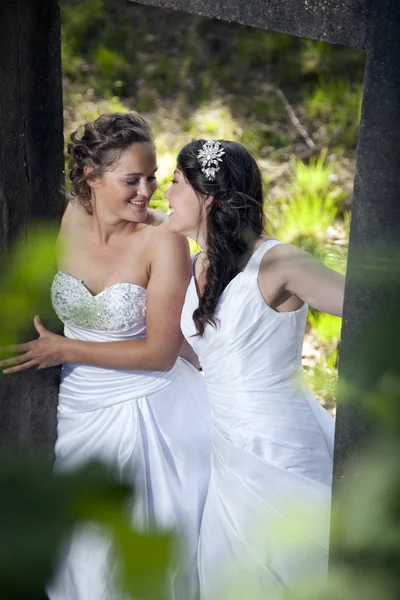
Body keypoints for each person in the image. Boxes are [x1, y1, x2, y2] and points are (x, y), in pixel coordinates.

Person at [0, 114, 210, 600]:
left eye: (153, 176)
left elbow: (160, 353)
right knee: (82, 542)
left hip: (147, 400)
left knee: (128, 548)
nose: (148, 191)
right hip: (80, 403)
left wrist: (62, 348)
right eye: (132, 179)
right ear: (92, 178)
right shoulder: (68, 214)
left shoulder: (165, 241)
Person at [164, 139, 343, 599]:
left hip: (280, 445)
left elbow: (370, 303)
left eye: (176, 183)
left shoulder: (279, 263)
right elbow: (200, 355)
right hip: (225, 449)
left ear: (207, 197)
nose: (166, 193)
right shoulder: (195, 265)